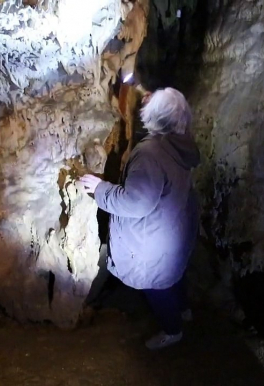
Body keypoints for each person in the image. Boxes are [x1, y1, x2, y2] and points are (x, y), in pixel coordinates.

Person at [79, 87, 200, 350]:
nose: (145, 102)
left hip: (152, 236)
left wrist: (100, 189)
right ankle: (184, 310)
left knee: (156, 285)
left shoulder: (150, 153)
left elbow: (136, 202)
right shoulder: (179, 143)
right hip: (172, 228)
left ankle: (172, 330)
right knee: (173, 274)